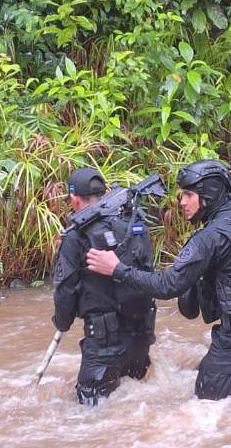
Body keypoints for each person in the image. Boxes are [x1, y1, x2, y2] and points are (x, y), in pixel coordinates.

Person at [86, 159, 231, 400]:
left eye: (187, 194)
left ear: (209, 194)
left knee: (203, 408)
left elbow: (167, 285)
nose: (181, 202)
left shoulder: (209, 238)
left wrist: (117, 269)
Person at [52, 167, 156, 405]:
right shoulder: (135, 224)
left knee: (89, 414)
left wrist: (62, 321)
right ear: (106, 193)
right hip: (140, 336)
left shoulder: (75, 236)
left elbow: (65, 291)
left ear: (73, 199)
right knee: (137, 403)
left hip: (103, 344)